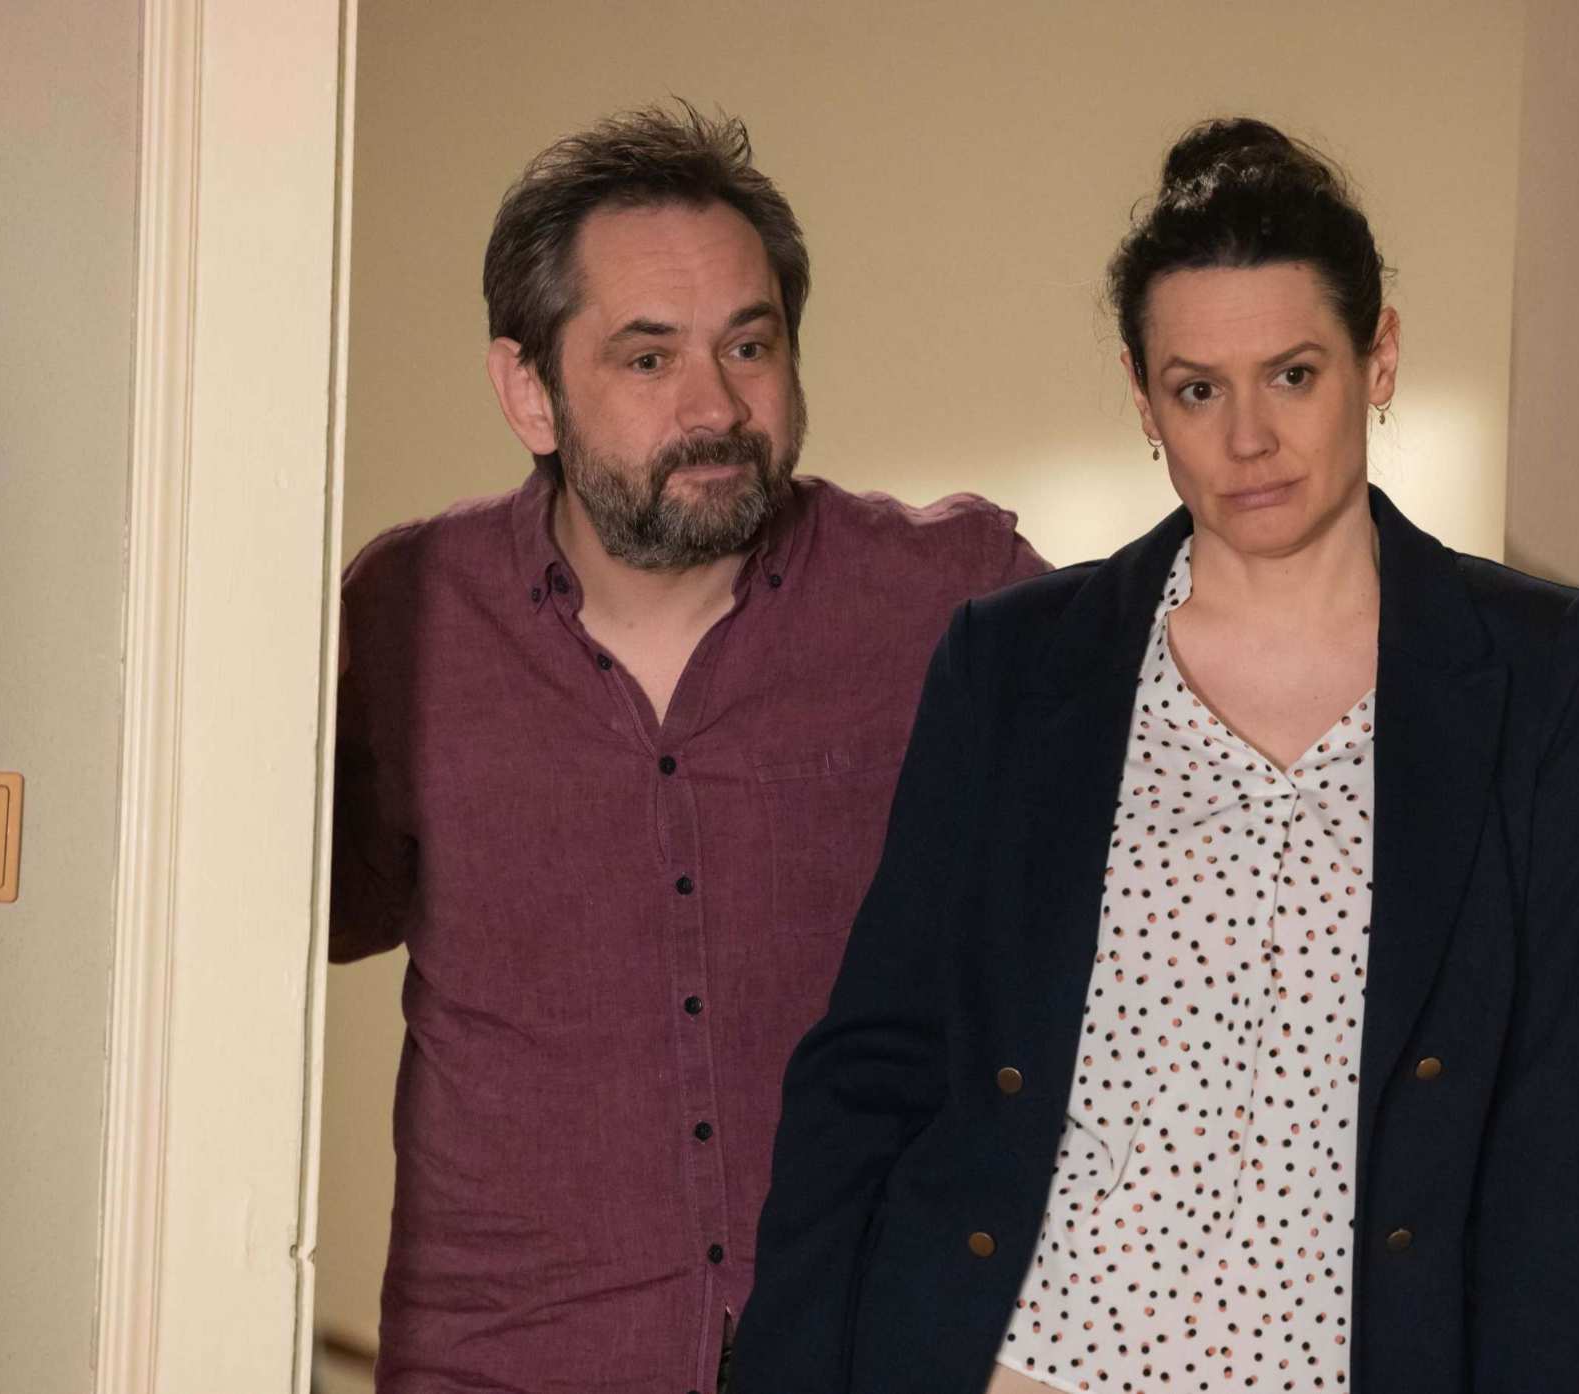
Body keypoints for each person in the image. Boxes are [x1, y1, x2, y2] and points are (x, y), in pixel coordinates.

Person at [735, 117, 1579, 1394]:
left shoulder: (1535, 667)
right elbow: (874, 1057)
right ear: (1144, 399)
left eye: (1293, 374)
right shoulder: (1014, 663)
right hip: (1027, 1362)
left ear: (1377, 357)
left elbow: (1549, 1124)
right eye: (1198, 388)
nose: (1247, 436)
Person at [328, 104, 1046, 1393]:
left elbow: (1168, 879)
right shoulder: (407, 616)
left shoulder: (952, 598)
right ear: (528, 390)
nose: (715, 405)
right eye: (648, 358)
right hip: (508, 1362)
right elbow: (254, 934)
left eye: (748, 346)